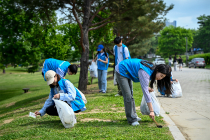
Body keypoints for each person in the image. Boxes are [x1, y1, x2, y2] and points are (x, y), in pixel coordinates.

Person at [115, 59, 172, 126]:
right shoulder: (145, 72)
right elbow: (146, 93)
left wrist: (146, 88)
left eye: (163, 77)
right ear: (157, 70)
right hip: (121, 69)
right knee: (128, 96)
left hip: (127, 70)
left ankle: (134, 115)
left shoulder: (152, 70)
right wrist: (151, 111)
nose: (161, 78)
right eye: (161, 75)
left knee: (130, 95)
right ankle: (132, 119)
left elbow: (143, 82)